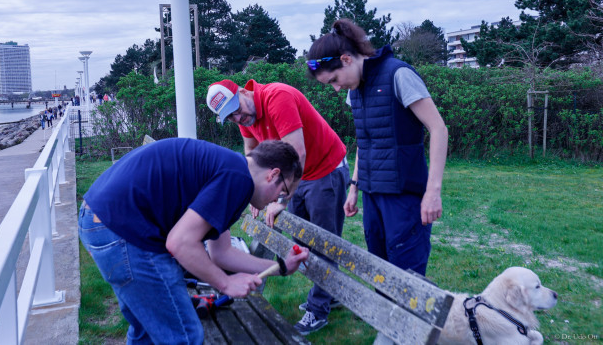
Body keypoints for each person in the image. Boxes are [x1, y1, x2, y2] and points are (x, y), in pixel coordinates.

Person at [79, 138, 308, 344]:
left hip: (99, 220)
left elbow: (222, 254)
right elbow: (179, 243)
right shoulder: (238, 179)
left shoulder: (231, 169)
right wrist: (225, 284)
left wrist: (281, 267)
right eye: (281, 193)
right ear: (273, 174)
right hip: (121, 230)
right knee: (185, 337)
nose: (275, 202)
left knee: (147, 331)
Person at [305, 18, 448, 277]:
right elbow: (366, 142)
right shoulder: (355, 90)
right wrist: (354, 187)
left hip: (404, 196)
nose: (336, 88)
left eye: (335, 79)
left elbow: (439, 129)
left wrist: (433, 192)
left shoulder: (399, 74)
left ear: (347, 59)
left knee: (406, 278)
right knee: (380, 274)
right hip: (372, 196)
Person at [206, 79, 349, 335]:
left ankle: (318, 310)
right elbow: (251, 152)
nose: (239, 118)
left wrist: (280, 200)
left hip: (324, 169)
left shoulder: (276, 97)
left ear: (243, 92)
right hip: (297, 175)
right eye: (231, 117)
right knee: (302, 241)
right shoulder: (246, 118)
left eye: (238, 110)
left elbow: (298, 155)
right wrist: (252, 193)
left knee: (322, 242)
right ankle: (330, 293)